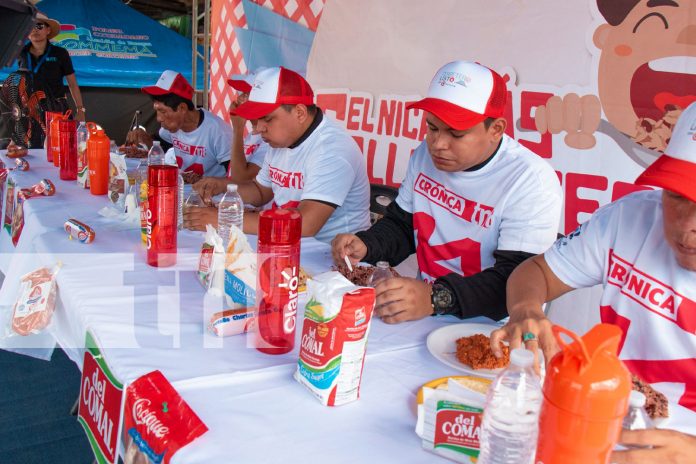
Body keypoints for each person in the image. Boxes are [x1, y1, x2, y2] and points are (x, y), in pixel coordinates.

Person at [491, 102, 696, 463]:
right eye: (677, 195)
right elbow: (536, 272)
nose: (686, 225)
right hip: (591, 428)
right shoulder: (631, 216)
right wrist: (526, 309)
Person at [331, 60, 563, 324]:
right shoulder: (425, 155)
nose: (438, 144)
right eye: (432, 128)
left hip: (490, 329)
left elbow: (516, 282)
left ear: (495, 130)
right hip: (426, 312)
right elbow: (404, 226)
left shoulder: (530, 180)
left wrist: (434, 298)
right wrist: (368, 244)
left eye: (456, 133)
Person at [185, 66, 371, 243]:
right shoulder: (281, 140)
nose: (258, 129)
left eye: (267, 119)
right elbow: (260, 191)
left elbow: (305, 225)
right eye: (256, 120)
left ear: (299, 112)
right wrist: (222, 186)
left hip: (333, 258)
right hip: (292, 246)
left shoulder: (332, 149)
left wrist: (226, 219)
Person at [141, 70, 232, 182]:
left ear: (182, 108)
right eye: (157, 111)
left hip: (211, 195)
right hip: (182, 189)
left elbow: (234, 176)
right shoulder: (171, 127)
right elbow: (160, 148)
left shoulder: (218, 131)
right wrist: (145, 140)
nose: (158, 118)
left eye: (163, 111)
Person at [190, 70, 269, 201]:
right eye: (242, 93)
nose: (240, 98)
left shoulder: (268, 140)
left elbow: (241, 178)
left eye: (247, 94)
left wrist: (238, 128)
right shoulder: (251, 136)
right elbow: (233, 176)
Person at [16, 12, 85, 146]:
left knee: (62, 148)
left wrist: (80, 110)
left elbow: (72, 83)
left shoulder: (60, 53)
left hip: (57, 109)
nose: (35, 30)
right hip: (31, 111)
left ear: (48, 30)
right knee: (32, 150)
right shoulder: (21, 53)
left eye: (39, 26)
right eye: (31, 26)